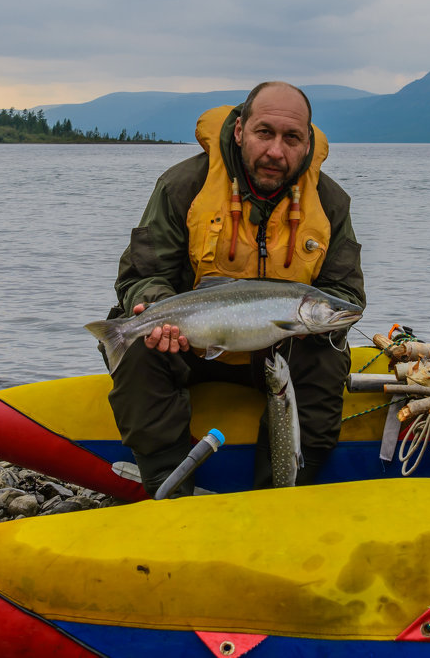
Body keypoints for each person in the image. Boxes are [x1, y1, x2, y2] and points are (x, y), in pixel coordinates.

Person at [102, 81, 365, 497]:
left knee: (327, 352)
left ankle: (284, 493)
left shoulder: (330, 203)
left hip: (279, 352)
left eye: (292, 138)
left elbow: (345, 292)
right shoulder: (184, 186)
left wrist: (320, 324)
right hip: (190, 345)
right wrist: (152, 308)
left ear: (308, 142)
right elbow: (141, 273)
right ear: (240, 130)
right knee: (136, 345)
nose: (276, 151)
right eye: (265, 133)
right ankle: (168, 490)